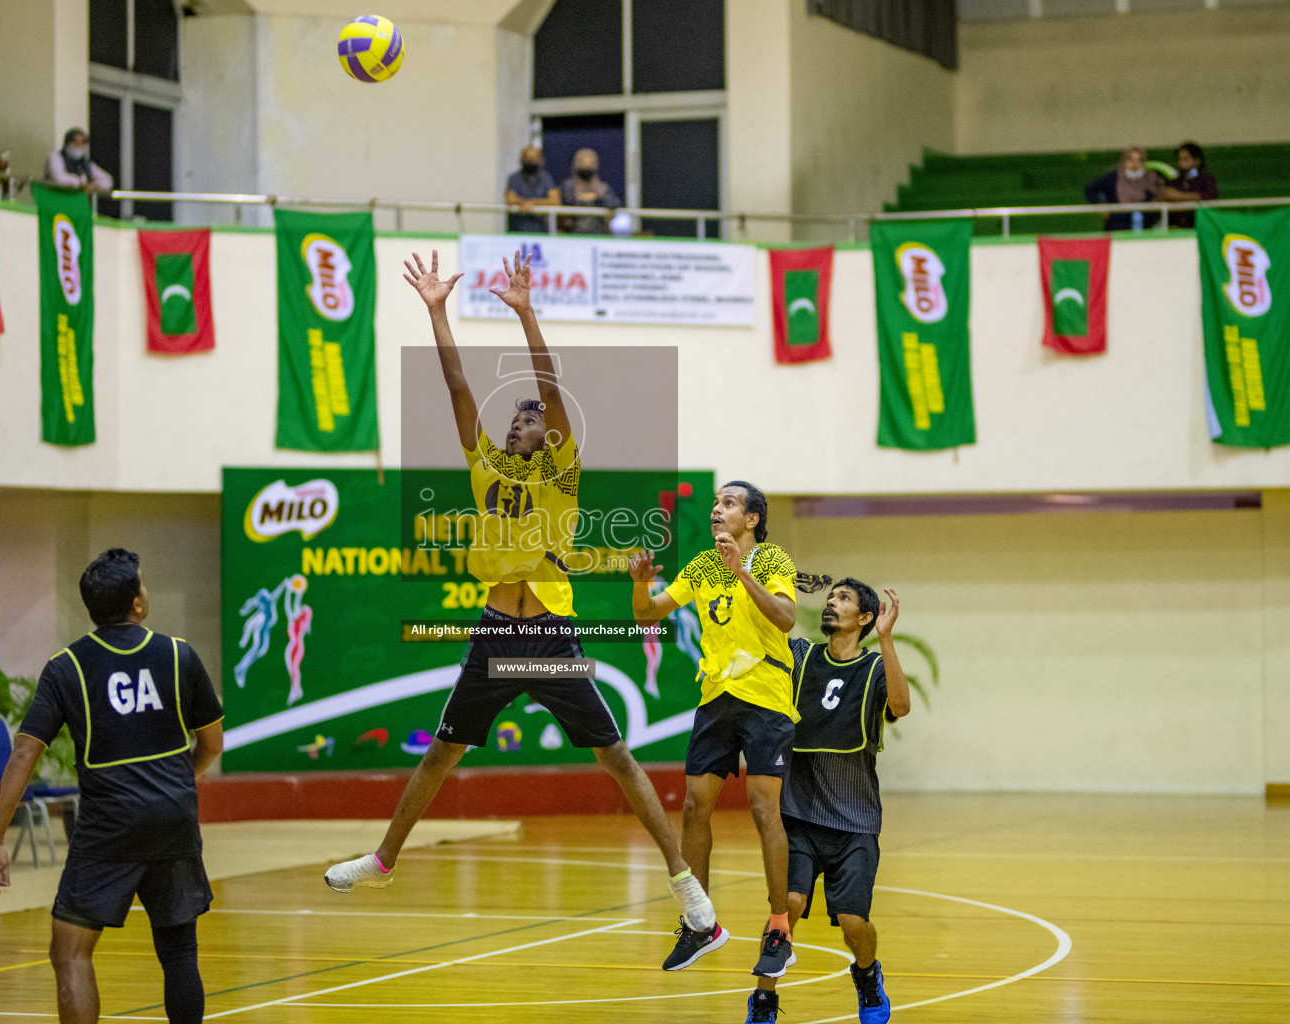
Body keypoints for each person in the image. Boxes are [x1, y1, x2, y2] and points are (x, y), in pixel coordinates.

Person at [323, 249, 720, 964]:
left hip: (548, 635)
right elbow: (453, 384)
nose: (519, 422)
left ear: (552, 438)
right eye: (515, 420)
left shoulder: (562, 477)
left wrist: (526, 312)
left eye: (531, 421)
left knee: (619, 760)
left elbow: (550, 386)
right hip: (495, 632)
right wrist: (438, 311)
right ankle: (382, 861)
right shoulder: (486, 468)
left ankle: (688, 889)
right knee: (443, 751)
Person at [0, 548, 224, 1024]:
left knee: (70, 952)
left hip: (108, 826)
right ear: (136, 604)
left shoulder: (65, 667)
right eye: (143, 585)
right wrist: (177, 782)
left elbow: (25, 753)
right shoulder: (179, 655)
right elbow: (211, 743)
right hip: (174, 819)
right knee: (178, 953)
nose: (146, 591)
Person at [629, 482, 820, 975]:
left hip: (766, 701)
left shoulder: (772, 559)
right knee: (694, 807)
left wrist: (741, 573)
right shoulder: (700, 565)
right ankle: (700, 923)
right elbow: (647, 612)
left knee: (762, 810)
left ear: (752, 519)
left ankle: (779, 926)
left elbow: (784, 618)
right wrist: (639, 582)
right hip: (716, 699)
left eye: (729, 503)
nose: (717, 510)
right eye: (715, 503)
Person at [746, 580, 910, 1024]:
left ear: (865, 619)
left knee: (855, 923)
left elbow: (901, 705)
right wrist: (749, 571)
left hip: (854, 821)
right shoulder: (800, 656)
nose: (831, 603)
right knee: (789, 905)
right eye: (830, 596)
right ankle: (763, 999)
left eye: (843, 599)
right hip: (798, 815)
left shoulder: (875, 668)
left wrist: (889, 639)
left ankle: (867, 975)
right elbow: (762, 622)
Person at [1084, 145, 1164, 232]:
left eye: (1139, 160)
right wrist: (1102, 209)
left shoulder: (1150, 178)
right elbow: (1090, 190)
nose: (1134, 164)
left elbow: (1160, 197)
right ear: (1124, 160)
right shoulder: (1114, 177)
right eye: (1130, 159)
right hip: (1117, 229)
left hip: (1145, 229)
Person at [558, 148, 621, 235]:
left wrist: (596, 198)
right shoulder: (568, 186)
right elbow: (568, 202)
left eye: (590, 165)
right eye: (583, 164)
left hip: (598, 232)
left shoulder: (602, 187)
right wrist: (589, 198)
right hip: (574, 232)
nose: (586, 168)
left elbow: (615, 204)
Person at [1162, 142, 1219, 230]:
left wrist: (1180, 196)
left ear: (1197, 160)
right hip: (1176, 228)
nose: (1181, 162)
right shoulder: (1174, 181)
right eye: (1180, 159)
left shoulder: (1207, 179)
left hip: (1200, 227)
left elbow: (1210, 196)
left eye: (1185, 159)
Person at [505, 144, 559, 234]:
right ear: (522, 160)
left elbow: (555, 201)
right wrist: (524, 203)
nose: (530, 162)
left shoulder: (546, 178)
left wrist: (533, 203)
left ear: (540, 160)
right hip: (517, 231)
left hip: (541, 231)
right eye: (528, 159)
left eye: (534, 159)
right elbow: (510, 199)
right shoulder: (514, 178)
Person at [47, 128, 113, 191]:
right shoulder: (56, 157)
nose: (79, 145)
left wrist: (95, 185)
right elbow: (59, 178)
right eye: (75, 141)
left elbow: (107, 180)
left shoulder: (85, 162)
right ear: (67, 143)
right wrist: (80, 182)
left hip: (78, 199)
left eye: (83, 142)